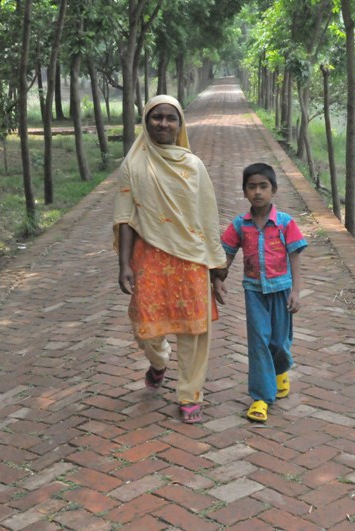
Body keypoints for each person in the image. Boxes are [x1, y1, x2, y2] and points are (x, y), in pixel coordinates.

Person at [113, 94, 228, 424]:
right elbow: (125, 219)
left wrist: (216, 267)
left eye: (170, 118)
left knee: (194, 329)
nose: (163, 123)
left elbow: (207, 216)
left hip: (191, 259)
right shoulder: (133, 166)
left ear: (180, 125)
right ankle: (160, 361)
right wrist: (124, 265)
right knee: (145, 328)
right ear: (146, 122)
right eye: (156, 117)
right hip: (149, 258)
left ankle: (190, 393)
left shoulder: (193, 166)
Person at [220, 162, 307, 423]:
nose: (257, 192)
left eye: (263, 186)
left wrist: (296, 291)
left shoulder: (284, 223)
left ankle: (281, 370)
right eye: (251, 187)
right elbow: (227, 254)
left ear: (274, 190)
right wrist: (218, 278)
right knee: (259, 342)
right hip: (254, 292)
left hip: (281, 291)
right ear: (245, 191)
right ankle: (260, 397)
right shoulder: (240, 225)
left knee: (279, 343)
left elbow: (295, 257)